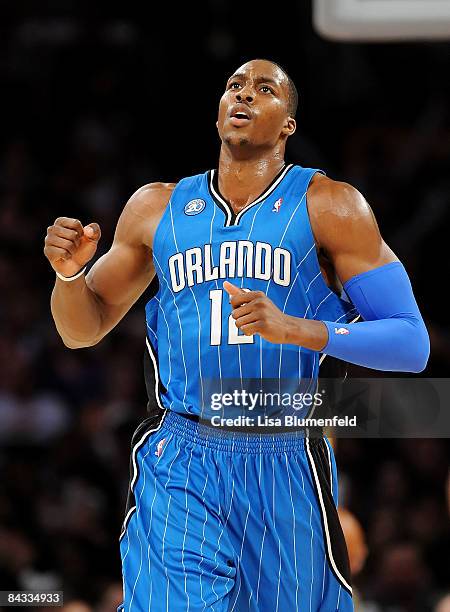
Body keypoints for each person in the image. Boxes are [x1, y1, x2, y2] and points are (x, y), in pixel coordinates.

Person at [44, 59, 429, 612]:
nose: (243, 95)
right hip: (183, 453)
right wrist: (69, 276)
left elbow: (411, 344)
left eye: (263, 89)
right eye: (234, 86)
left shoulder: (331, 205)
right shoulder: (157, 208)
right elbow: (82, 330)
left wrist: (296, 328)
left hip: (284, 456)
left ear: (288, 124)